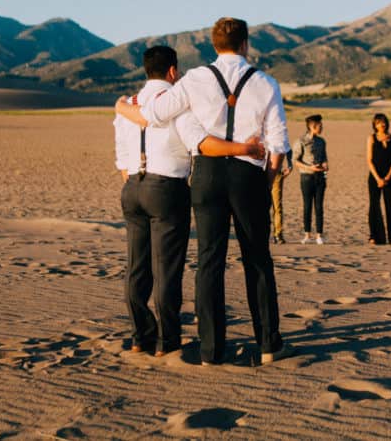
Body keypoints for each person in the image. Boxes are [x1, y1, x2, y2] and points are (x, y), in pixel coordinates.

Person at [115, 18, 291, 366]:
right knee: (257, 260)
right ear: (245, 44)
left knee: (209, 260)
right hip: (249, 175)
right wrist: (266, 182)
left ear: (214, 45)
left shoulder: (195, 78)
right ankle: (269, 344)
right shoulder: (266, 83)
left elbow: (153, 114)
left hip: (207, 176)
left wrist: (121, 107)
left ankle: (211, 349)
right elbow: (279, 143)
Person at [366, 113, 391, 245]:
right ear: (374, 125)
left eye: (383, 122)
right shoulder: (371, 138)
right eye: (379, 123)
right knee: (374, 206)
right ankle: (375, 236)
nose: (382, 125)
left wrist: (387, 177)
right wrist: (378, 178)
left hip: (390, 177)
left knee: (390, 207)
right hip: (375, 177)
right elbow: (369, 160)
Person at [295, 114, 328, 245]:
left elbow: (325, 157)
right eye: (320, 125)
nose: (321, 127)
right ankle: (307, 234)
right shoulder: (301, 141)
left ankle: (319, 235)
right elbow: (295, 161)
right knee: (307, 206)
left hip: (320, 177)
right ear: (312, 126)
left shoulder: (322, 141)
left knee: (319, 207)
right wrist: (310, 167)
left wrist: (325, 164)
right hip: (306, 177)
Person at [269, 148, 292, 244]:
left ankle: (278, 234)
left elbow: (287, 148)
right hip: (259, 174)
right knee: (261, 206)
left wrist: (290, 165)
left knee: (277, 206)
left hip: (276, 175)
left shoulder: (277, 134)